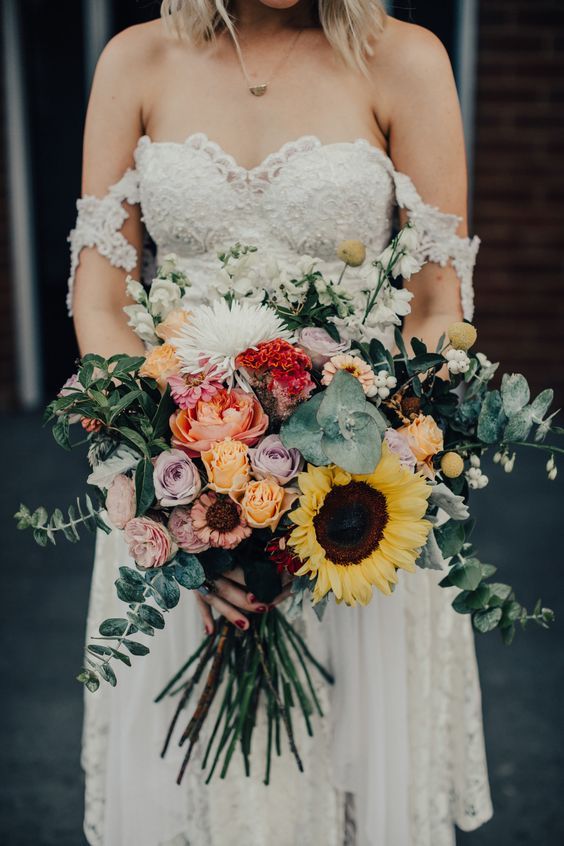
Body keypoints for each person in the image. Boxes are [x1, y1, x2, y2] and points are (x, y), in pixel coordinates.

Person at [69, 1, 493, 844]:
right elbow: (101, 298)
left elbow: (440, 303)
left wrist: (359, 471)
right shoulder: (135, 61)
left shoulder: (404, 59)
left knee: (349, 772)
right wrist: (177, 496)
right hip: (179, 482)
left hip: (359, 494)